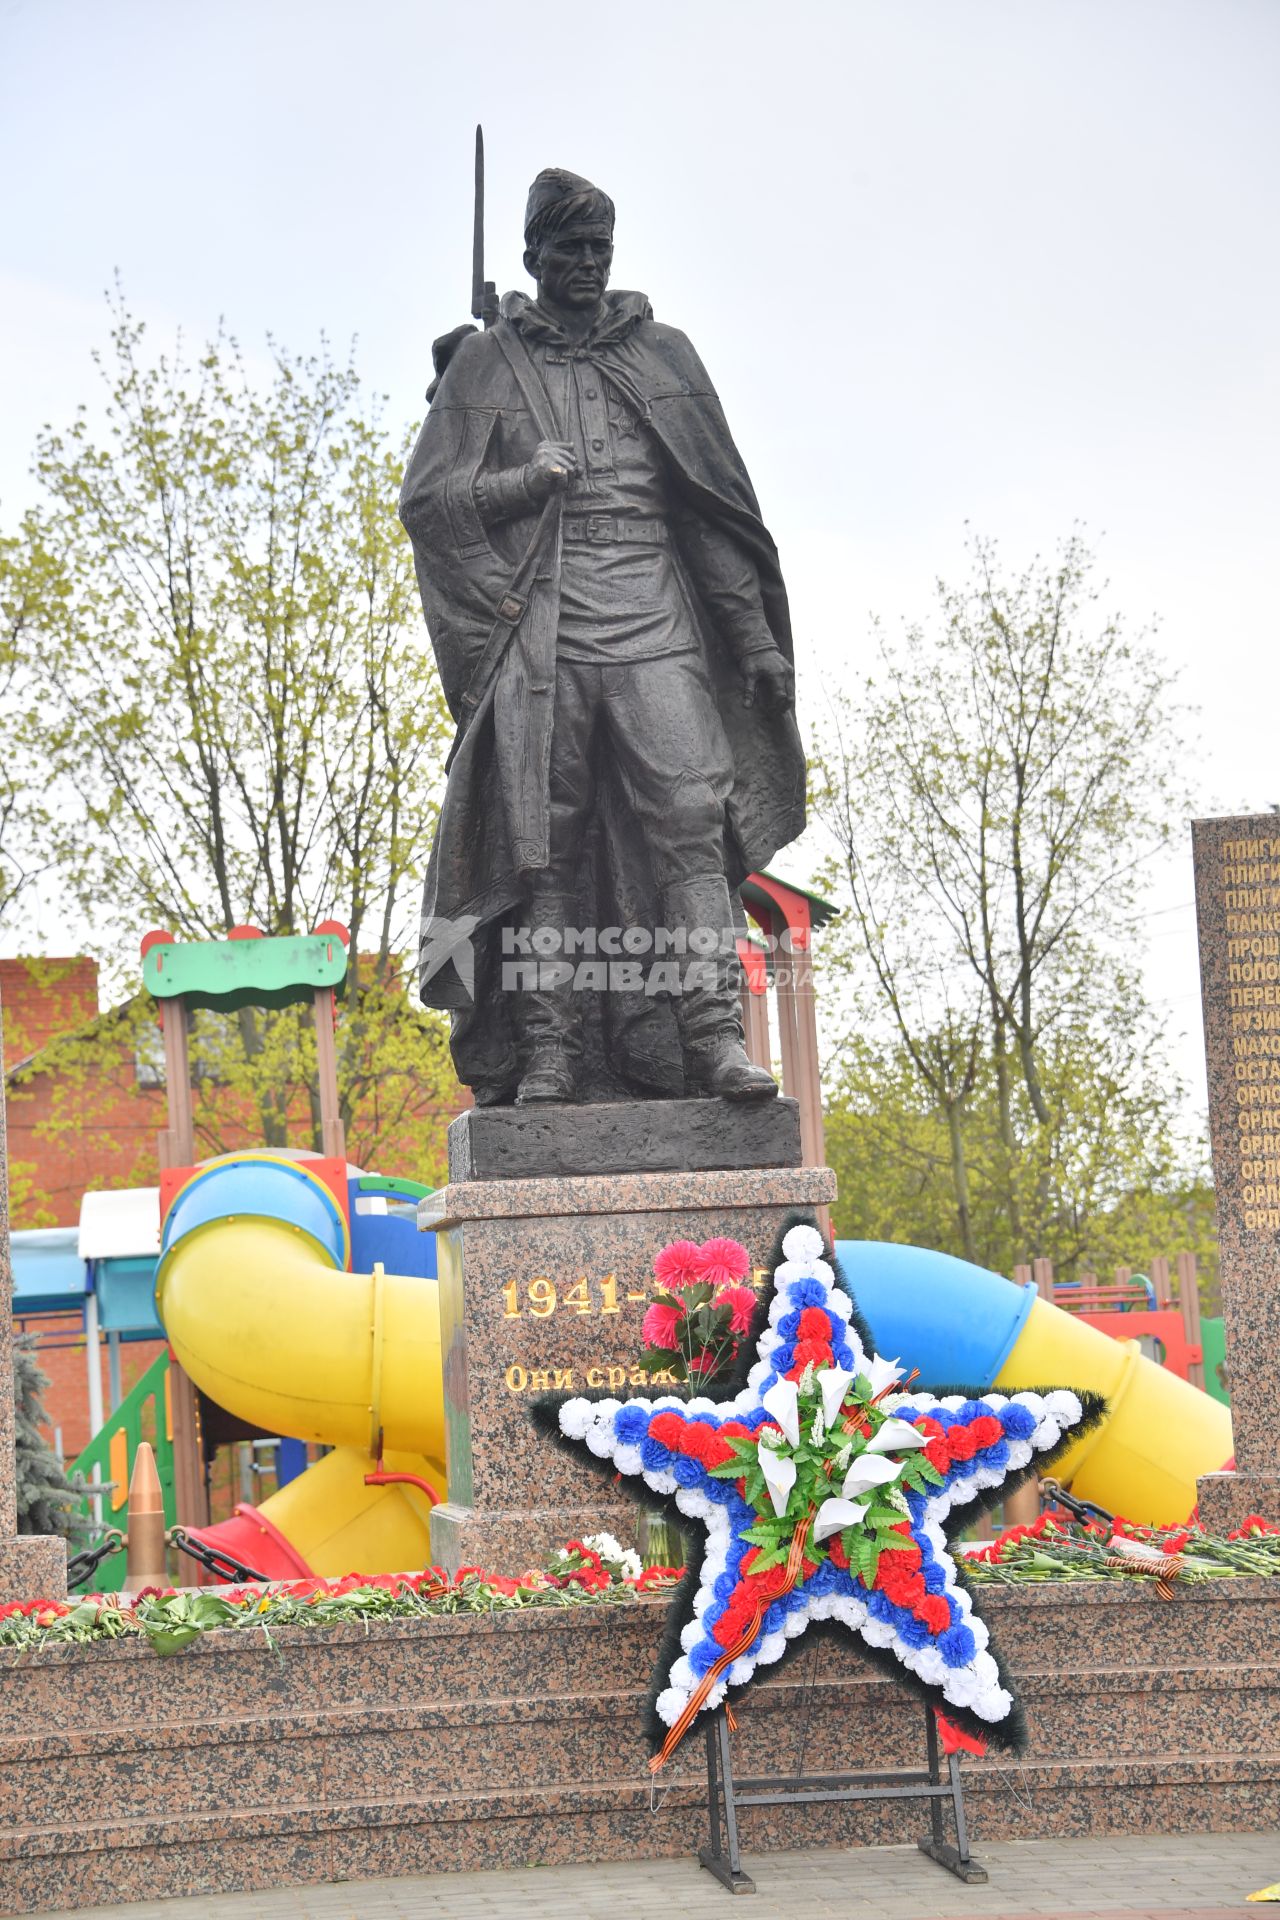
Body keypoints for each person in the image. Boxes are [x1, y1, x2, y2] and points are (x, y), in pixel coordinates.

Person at [400, 166, 805, 1107]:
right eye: (569, 249)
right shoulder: (486, 363)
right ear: (532, 255)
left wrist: (751, 640)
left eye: (600, 250)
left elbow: (710, 509)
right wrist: (523, 481)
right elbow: (430, 503)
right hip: (542, 628)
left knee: (692, 825)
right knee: (544, 842)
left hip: (658, 618)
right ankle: (550, 1054)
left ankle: (715, 1042)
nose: (586, 265)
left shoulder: (663, 353)